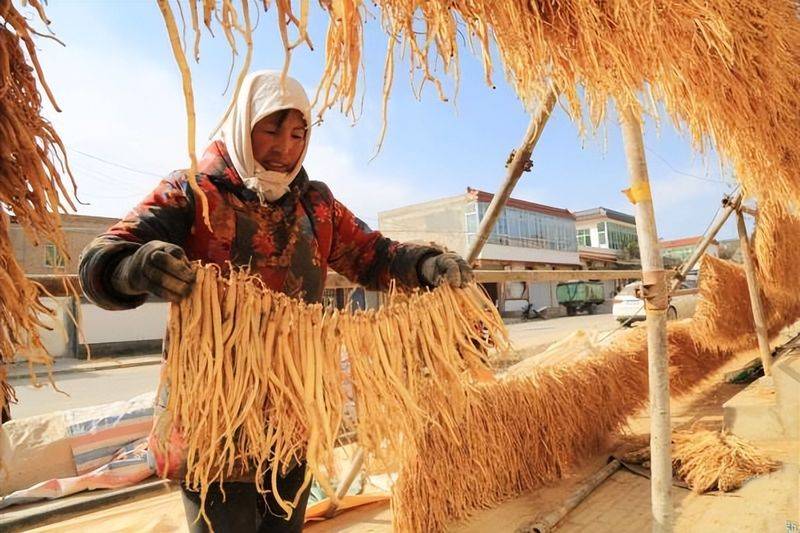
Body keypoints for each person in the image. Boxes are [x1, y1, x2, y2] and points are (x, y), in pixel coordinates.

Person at [78, 70, 473, 533]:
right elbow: (101, 258)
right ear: (244, 125)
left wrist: (424, 264)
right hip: (215, 410)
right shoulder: (194, 191)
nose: (285, 146)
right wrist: (133, 268)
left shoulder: (316, 204)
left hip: (292, 405)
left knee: (285, 523)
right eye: (271, 129)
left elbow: (372, 254)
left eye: (298, 134)